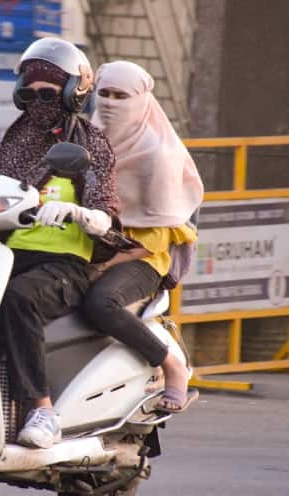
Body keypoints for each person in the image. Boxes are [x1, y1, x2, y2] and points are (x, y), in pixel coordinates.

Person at [0, 37, 120, 449]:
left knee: (19, 299)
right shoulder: (17, 138)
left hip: (63, 264)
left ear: (72, 92)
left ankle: (43, 410)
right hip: (7, 254)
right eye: (29, 94)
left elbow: (105, 211)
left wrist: (80, 213)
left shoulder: (91, 144)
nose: (38, 102)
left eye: (48, 93)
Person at [84, 60, 204, 413]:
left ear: (141, 99)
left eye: (121, 96)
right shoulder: (87, 137)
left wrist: (106, 264)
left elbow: (155, 238)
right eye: (103, 93)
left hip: (142, 256)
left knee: (101, 303)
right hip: (90, 246)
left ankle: (172, 366)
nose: (108, 102)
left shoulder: (157, 153)